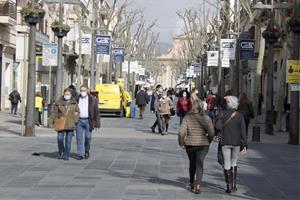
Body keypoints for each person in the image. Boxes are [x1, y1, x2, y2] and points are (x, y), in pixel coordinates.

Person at [178, 99, 215, 194]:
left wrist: (182, 143)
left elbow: (181, 132)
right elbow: (211, 133)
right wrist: (209, 141)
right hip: (203, 145)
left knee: (192, 163)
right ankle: (198, 185)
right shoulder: (207, 118)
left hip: (190, 144)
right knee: (200, 164)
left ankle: (191, 182)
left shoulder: (187, 117)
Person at [215, 96, 247, 194]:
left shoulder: (222, 114)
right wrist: (244, 145)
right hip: (236, 142)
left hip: (225, 142)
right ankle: (234, 185)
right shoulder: (239, 115)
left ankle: (228, 186)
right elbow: (243, 132)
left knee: (227, 163)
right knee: (234, 162)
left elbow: (217, 126)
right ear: (235, 104)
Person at [48, 88, 79, 160]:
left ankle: (66, 155)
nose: (67, 95)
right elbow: (54, 112)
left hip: (70, 123)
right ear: (63, 94)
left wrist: (75, 120)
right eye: (65, 94)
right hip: (61, 122)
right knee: (60, 139)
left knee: (68, 141)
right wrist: (50, 121)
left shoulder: (74, 102)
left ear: (71, 95)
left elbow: (77, 112)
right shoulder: (58, 102)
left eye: (68, 94)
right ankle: (61, 151)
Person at [76, 85, 100, 160]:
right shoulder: (76, 99)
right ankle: (80, 153)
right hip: (79, 121)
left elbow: (96, 112)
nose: (82, 92)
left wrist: (97, 125)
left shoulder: (93, 99)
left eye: (84, 90)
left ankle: (86, 150)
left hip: (88, 121)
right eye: (81, 90)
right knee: (79, 138)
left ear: (87, 90)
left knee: (88, 137)